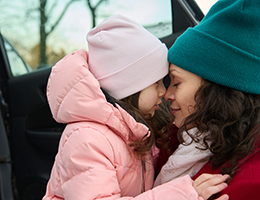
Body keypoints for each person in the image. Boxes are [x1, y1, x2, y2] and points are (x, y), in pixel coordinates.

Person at [42, 14, 229, 200]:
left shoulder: (134, 129)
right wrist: (180, 195)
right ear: (130, 88)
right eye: (156, 83)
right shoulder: (87, 140)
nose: (163, 92)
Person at [154, 0, 260, 199]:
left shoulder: (250, 185)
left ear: (215, 91)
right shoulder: (186, 138)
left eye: (176, 82)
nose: (167, 95)